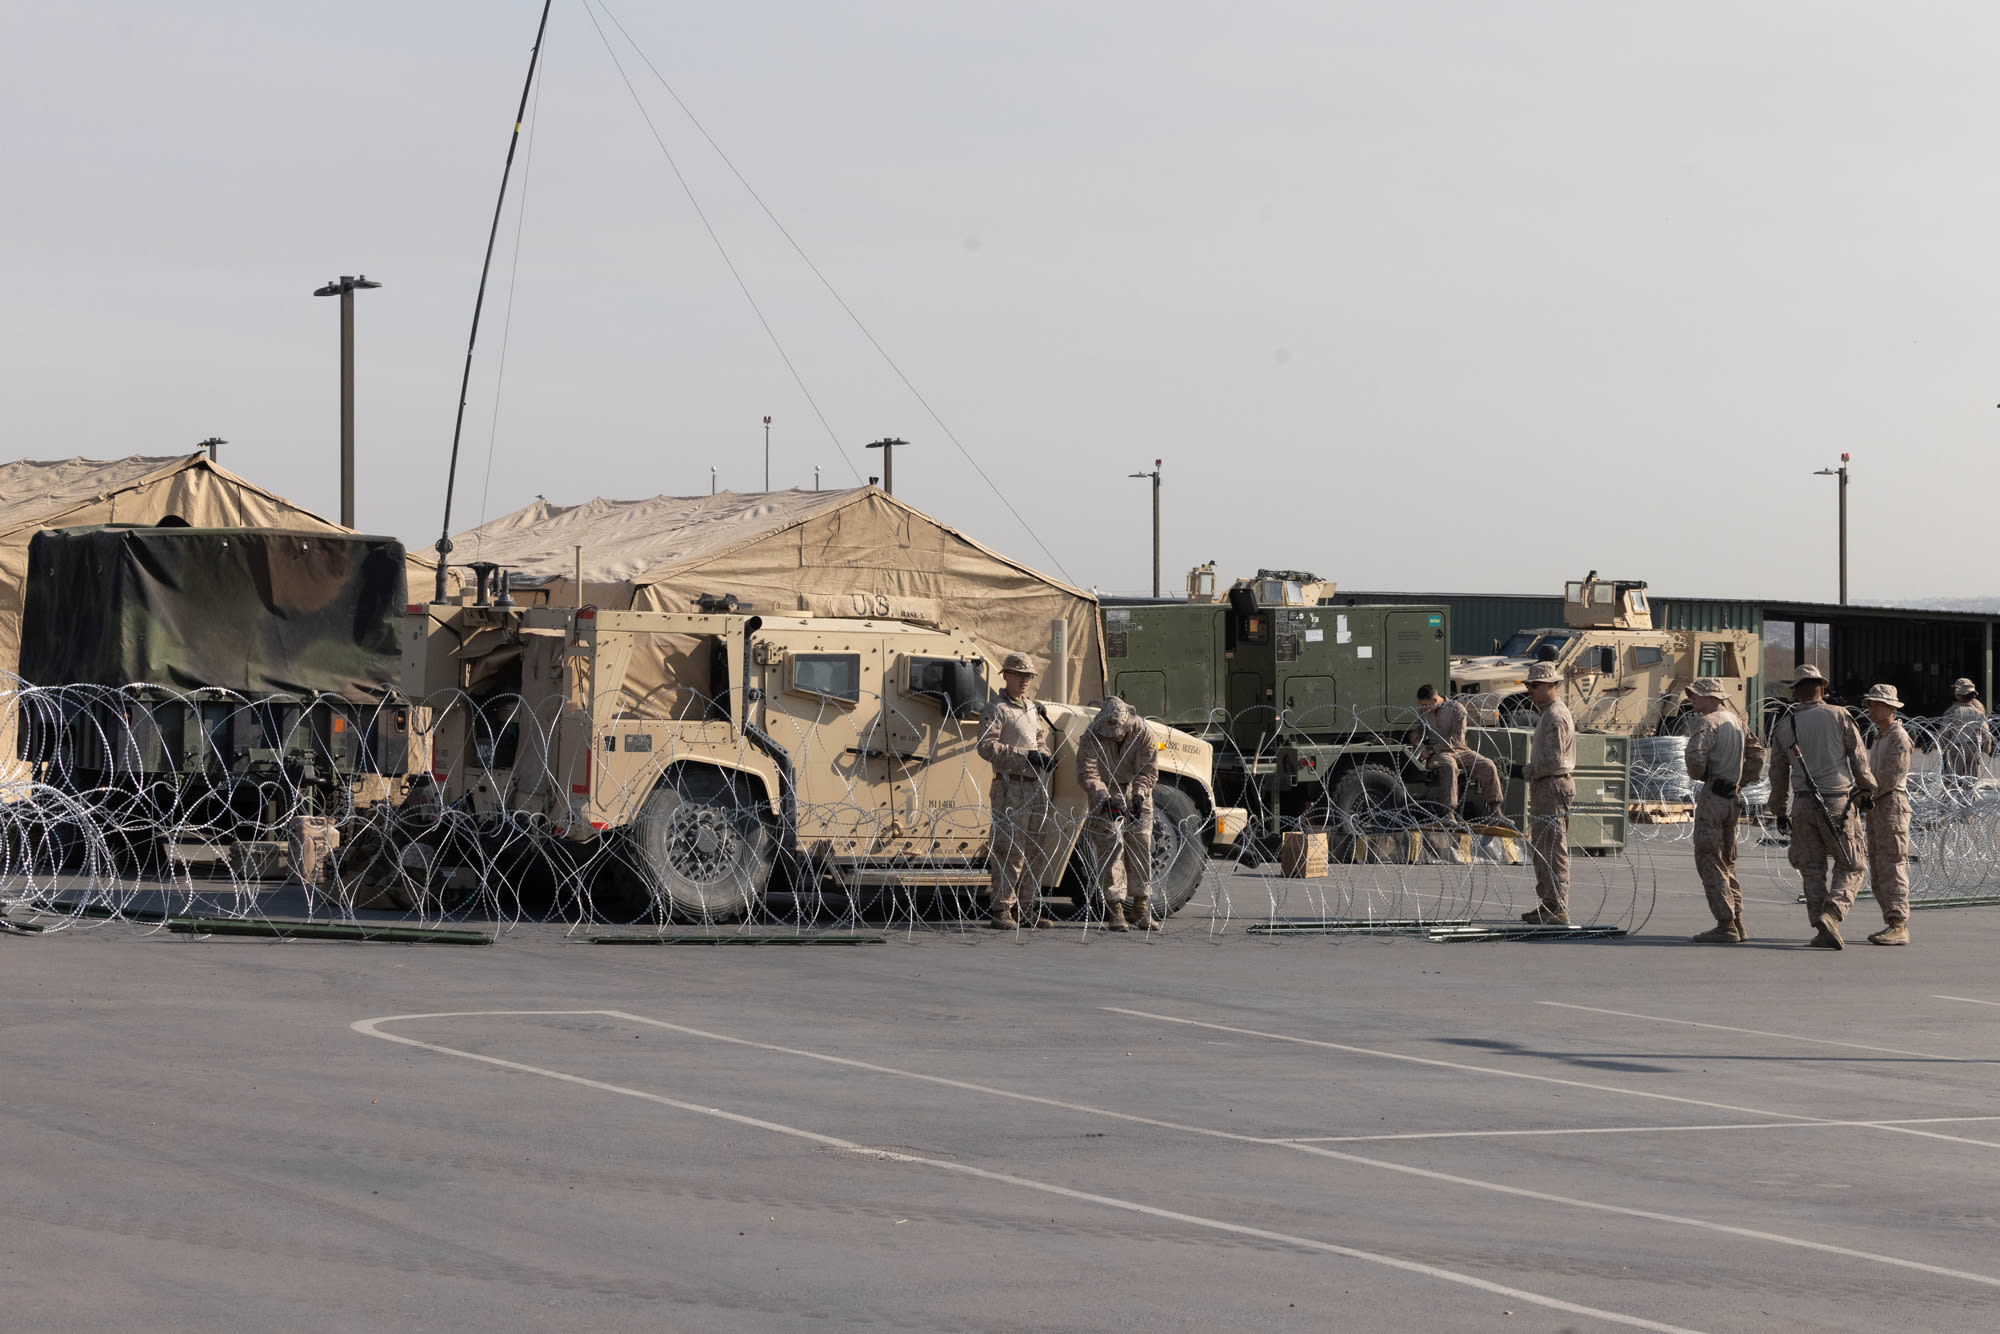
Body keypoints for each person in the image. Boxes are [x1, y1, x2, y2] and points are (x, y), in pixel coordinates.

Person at [1767, 664, 1876, 950]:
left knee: (1812, 869)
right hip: (1837, 802)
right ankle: (1833, 912)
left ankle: (1821, 924)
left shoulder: (1784, 726)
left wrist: (1778, 809)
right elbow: (1858, 758)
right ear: (1823, 689)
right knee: (1852, 863)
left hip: (1802, 803)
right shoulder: (1840, 715)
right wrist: (1867, 788)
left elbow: (1777, 773)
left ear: (1795, 692)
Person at [976, 651, 1057, 930]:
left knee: (1034, 849)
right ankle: (1002, 909)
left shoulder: (1031, 708)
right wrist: (1025, 757)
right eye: (1020, 675)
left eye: (1029, 676)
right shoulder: (996, 709)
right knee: (1009, 850)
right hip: (1009, 787)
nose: (1025, 680)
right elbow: (986, 746)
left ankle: (1026, 908)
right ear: (1007, 676)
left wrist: (1044, 757)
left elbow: (1039, 739)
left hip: (1034, 786)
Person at [1077, 696, 1159, 932]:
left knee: (1141, 844)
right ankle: (1116, 908)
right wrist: (1104, 799)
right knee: (1111, 847)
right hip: (1106, 791)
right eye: (1111, 731)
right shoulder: (1092, 736)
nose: (1116, 735)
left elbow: (1148, 769)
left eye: (1120, 730)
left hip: (1136, 788)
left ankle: (1141, 908)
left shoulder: (1142, 732)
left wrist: (1139, 795)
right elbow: (1088, 773)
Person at [1506, 661, 1574, 925]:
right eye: (1528, 685)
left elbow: (1555, 760)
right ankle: (1548, 903)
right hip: (1545, 785)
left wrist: (1525, 770)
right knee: (1541, 848)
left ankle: (1558, 906)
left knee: (1554, 847)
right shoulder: (1546, 713)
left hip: (1553, 784)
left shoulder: (1556, 716)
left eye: (1535, 685)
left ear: (1551, 685)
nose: (1529, 690)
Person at [1682, 678, 1747, 943]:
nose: (1692, 699)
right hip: (1732, 796)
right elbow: (1757, 754)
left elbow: (1694, 757)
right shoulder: (1736, 722)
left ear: (1712, 698)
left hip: (1714, 796)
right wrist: (1741, 779)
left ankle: (1725, 923)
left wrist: (1703, 775)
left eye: (1697, 695)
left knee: (1710, 858)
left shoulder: (1709, 723)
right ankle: (1738, 919)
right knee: (1727, 860)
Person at [1860, 684, 1913, 946]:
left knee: (1892, 864)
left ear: (1891, 707)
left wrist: (1866, 793)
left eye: (1876, 705)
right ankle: (1890, 921)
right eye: (1870, 705)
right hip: (1877, 804)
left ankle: (1899, 923)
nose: (1871, 709)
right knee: (1879, 867)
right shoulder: (1880, 736)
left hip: (1890, 804)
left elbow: (1890, 778)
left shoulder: (1898, 738)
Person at [1411, 684, 1505, 819]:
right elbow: (1421, 729)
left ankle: (1495, 810)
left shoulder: (1456, 709)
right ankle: (1448, 813)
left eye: (1425, 705)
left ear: (1435, 700)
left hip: (1459, 750)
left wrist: (1431, 749)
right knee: (1449, 766)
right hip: (1439, 755)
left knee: (1487, 765)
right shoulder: (1425, 713)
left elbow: (1457, 739)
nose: (1423, 708)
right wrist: (1417, 741)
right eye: (1421, 705)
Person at [1939, 677, 1991, 784]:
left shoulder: (1952, 712)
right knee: (1971, 782)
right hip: (1973, 749)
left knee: (1954, 783)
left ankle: (1954, 799)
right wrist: (1986, 749)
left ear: (1958, 695)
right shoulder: (1978, 713)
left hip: (1957, 748)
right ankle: (1969, 799)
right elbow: (1986, 735)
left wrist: (1942, 751)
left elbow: (1944, 734)